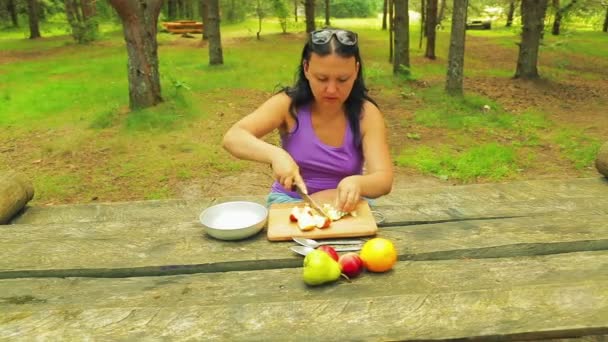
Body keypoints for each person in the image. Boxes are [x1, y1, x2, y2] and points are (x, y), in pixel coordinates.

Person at [222, 28, 393, 213]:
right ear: (306, 69)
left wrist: (358, 183)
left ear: (356, 70)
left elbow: (383, 179)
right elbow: (233, 137)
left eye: (343, 79)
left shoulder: (366, 114)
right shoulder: (288, 105)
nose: (331, 90)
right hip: (290, 202)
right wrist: (276, 155)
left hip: (347, 206)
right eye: (322, 78)